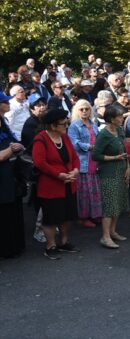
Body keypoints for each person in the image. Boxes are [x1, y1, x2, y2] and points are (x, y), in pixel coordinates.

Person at [32, 108, 81, 259]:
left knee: (67, 215)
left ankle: (64, 242)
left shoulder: (64, 137)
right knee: (51, 217)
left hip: (68, 183)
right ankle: (50, 245)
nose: (66, 126)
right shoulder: (41, 139)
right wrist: (58, 175)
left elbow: (74, 156)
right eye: (63, 124)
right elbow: (40, 162)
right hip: (51, 186)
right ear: (53, 126)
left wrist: (75, 170)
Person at [92, 105, 130, 249]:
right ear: (111, 119)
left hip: (121, 170)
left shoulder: (119, 130)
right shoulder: (103, 134)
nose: (122, 118)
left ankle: (113, 231)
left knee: (118, 202)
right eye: (119, 116)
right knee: (109, 205)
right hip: (108, 173)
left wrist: (128, 167)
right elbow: (95, 155)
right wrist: (115, 157)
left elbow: (125, 151)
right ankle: (105, 236)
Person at [68, 100, 102, 229]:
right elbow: (74, 143)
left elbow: (98, 138)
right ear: (76, 110)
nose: (84, 111)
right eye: (81, 109)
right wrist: (90, 147)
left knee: (94, 189)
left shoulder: (93, 124)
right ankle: (83, 217)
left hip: (94, 160)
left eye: (87, 109)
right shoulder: (74, 126)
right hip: (82, 161)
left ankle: (95, 214)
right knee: (84, 192)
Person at [0, 93, 26, 258]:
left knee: (13, 209)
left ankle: (13, 246)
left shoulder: (4, 122)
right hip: (2, 176)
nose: (8, 103)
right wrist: (12, 149)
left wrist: (17, 146)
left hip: (10, 174)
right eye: (3, 101)